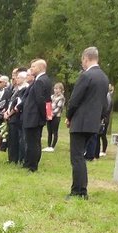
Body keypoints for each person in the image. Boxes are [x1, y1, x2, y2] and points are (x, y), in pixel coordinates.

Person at [66, 46, 110, 200]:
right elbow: (105, 104)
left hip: (80, 122)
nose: (82, 64)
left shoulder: (86, 76)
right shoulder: (104, 78)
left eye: (82, 61)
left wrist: (69, 116)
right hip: (93, 124)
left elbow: (74, 100)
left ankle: (78, 191)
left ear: (86, 58)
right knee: (81, 157)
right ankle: (81, 189)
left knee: (76, 157)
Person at [22, 59, 52, 172]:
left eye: (33, 66)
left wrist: (44, 115)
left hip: (34, 116)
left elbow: (40, 100)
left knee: (33, 142)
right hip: (36, 116)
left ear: (40, 68)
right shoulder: (45, 80)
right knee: (33, 141)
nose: (31, 69)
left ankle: (32, 166)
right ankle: (30, 163)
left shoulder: (40, 81)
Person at [4, 69, 27, 166]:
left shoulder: (24, 89)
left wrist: (9, 113)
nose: (16, 79)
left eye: (18, 77)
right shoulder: (16, 89)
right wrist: (6, 111)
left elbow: (19, 104)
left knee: (16, 139)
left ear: (23, 78)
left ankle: (15, 159)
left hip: (16, 117)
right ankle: (11, 158)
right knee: (11, 138)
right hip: (10, 115)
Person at [45, 82, 64, 151]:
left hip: (56, 116)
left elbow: (59, 108)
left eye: (58, 89)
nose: (56, 90)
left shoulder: (61, 98)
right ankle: (49, 145)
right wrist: (48, 113)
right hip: (49, 115)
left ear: (61, 90)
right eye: (55, 88)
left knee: (54, 131)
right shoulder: (52, 96)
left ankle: (53, 146)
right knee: (49, 131)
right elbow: (48, 104)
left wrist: (52, 114)